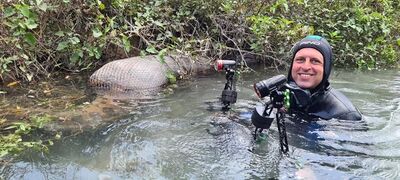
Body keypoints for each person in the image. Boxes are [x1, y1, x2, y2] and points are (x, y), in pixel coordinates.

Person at [286, 35, 362, 120]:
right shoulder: (279, 96)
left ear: (326, 68)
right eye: (300, 59)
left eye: (315, 61)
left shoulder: (345, 115)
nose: (305, 67)